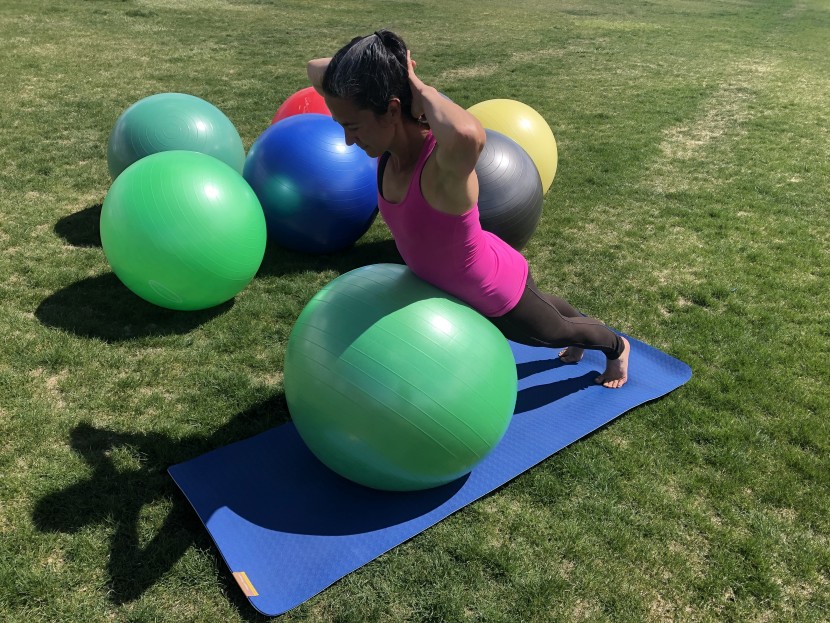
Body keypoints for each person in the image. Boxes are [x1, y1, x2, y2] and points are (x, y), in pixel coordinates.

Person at [307, 30, 630, 388]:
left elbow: (469, 134)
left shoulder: (442, 167)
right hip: (467, 271)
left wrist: (418, 84)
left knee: (552, 331)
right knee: (550, 308)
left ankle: (616, 346)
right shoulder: (390, 148)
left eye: (352, 126)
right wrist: (391, 65)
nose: (348, 140)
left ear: (394, 109)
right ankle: (581, 332)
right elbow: (315, 69)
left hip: (491, 288)